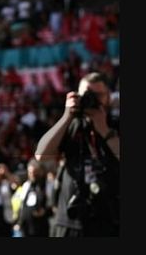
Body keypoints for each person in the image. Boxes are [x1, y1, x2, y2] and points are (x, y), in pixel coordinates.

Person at [35, 72, 119, 236]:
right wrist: (67, 116)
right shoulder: (71, 126)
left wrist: (104, 129)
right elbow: (41, 155)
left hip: (109, 221)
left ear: (108, 97)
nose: (91, 100)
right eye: (86, 95)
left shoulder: (115, 125)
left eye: (97, 95)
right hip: (70, 222)